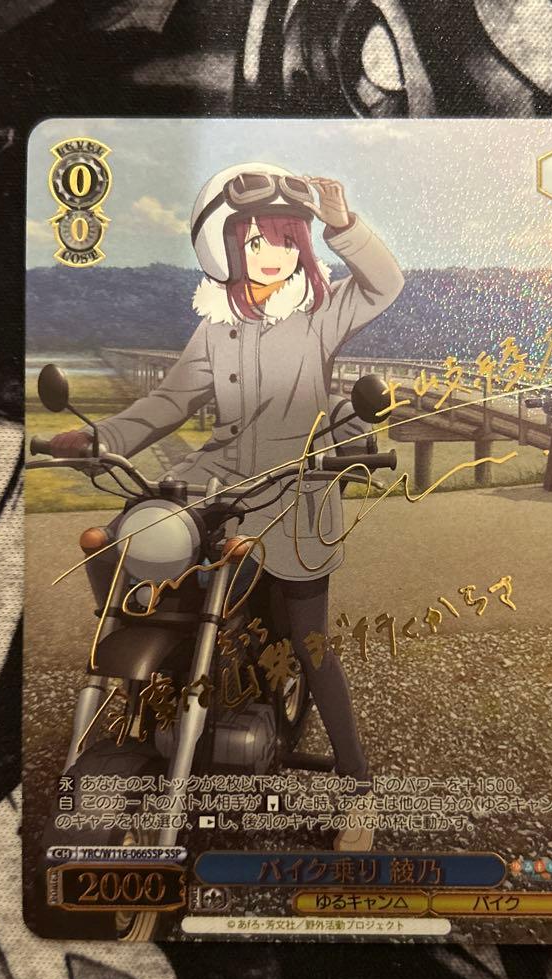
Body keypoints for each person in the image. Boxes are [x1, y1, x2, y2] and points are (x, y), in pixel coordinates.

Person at [51, 162, 404, 850]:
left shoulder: (319, 314)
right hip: (217, 489)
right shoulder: (216, 327)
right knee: (134, 555)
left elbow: (384, 284)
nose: (270, 255)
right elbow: (169, 400)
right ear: (229, 245)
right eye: (255, 240)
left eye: (285, 241)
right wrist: (100, 438)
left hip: (296, 495)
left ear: (302, 248)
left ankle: (358, 790)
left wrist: (343, 225)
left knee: (310, 645)